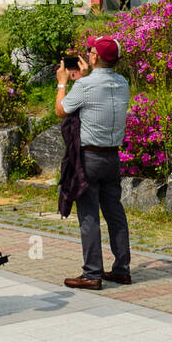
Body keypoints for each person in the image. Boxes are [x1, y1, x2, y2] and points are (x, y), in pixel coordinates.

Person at [56, 36, 131, 290]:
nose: (88, 53)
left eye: (91, 51)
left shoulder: (84, 86)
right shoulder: (123, 83)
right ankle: (122, 269)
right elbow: (98, 88)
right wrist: (85, 78)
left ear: (95, 56)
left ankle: (92, 273)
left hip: (88, 158)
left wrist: (63, 84)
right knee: (114, 213)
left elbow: (61, 110)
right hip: (112, 157)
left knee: (88, 214)